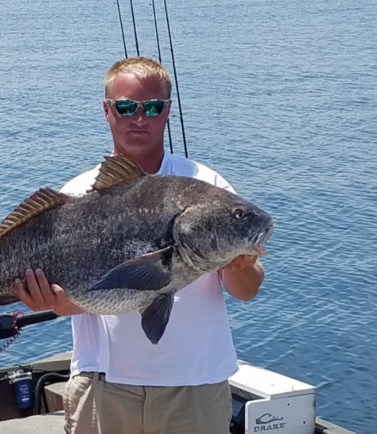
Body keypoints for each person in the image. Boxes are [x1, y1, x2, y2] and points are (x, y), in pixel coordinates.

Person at [14, 56, 265, 434]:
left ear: (167, 111)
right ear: (107, 110)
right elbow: (72, 304)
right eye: (127, 107)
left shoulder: (207, 185)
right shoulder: (77, 195)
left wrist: (240, 264)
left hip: (195, 385)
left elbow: (246, 291)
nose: (139, 118)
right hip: (104, 386)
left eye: (152, 107)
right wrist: (46, 300)